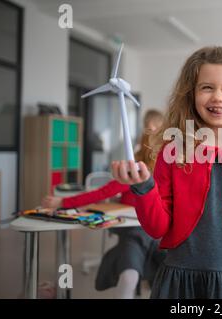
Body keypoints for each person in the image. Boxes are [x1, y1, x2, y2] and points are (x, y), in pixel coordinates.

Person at [112, 46, 222, 299]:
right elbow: (157, 228)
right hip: (182, 283)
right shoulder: (173, 151)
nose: (218, 98)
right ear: (191, 93)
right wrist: (143, 187)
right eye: (207, 87)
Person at [41, 109, 166, 299]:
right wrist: (62, 201)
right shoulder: (135, 168)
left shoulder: (168, 169)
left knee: (171, 269)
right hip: (134, 235)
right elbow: (102, 193)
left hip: (159, 237)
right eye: (150, 130)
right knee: (129, 274)